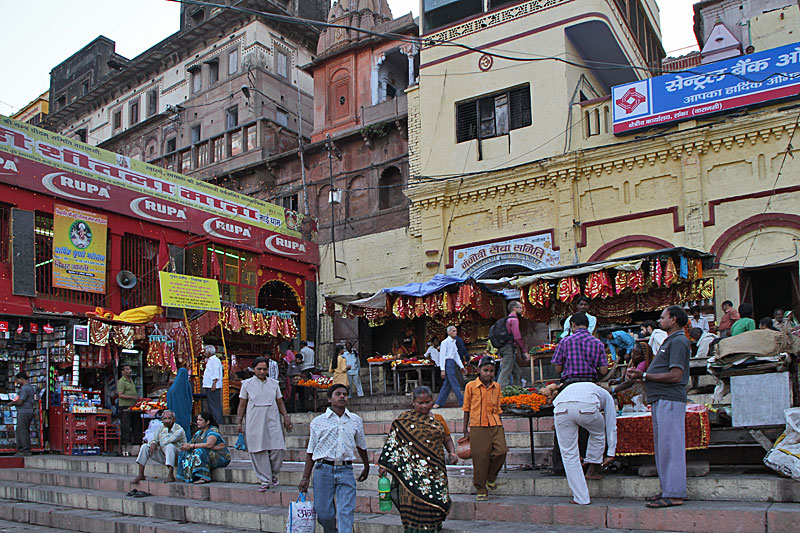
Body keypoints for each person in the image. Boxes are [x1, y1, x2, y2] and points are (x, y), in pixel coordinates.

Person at [627, 305, 691, 508]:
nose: (660, 320)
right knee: (664, 447)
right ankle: (668, 489)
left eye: (663, 317)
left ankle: (674, 493)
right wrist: (643, 377)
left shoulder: (679, 341)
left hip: (669, 398)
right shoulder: (670, 341)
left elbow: (676, 375)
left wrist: (645, 375)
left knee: (671, 446)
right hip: (660, 398)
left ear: (674, 319)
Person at [378, 386, 456, 531]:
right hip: (411, 475)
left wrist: (452, 452)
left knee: (433, 505)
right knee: (412, 506)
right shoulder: (403, 420)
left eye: (428, 402)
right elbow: (392, 442)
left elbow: (447, 439)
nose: (424, 406)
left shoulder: (438, 420)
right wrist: (384, 465)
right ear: (413, 402)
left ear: (433, 401)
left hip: (434, 472)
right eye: (420, 403)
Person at [298, 384, 370, 533]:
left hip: (346, 469)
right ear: (330, 399)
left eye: (345, 394)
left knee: (346, 511)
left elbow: (361, 446)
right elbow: (311, 451)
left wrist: (366, 466)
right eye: (338, 394)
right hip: (323, 469)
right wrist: (305, 478)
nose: (342, 396)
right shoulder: (318, 422)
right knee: (324, 514)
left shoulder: (355, 420)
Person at [553, 382, 617, 505]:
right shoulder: (606, 394)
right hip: (587, 407)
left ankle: (581, 498)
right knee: (598, 434)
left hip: (561, 408)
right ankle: (593, 464)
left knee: (569, 454)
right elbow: (611, 423)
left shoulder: (574, 387)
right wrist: (611, 453)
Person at [237, 356, 293, 491]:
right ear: (254, 369)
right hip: (254, 420)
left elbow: (280, 402)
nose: (262, 372)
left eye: (264, 369)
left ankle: (272, 474)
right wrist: (239, 422)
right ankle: (265, 480)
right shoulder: (246, 384)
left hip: (272, 419)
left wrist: (286, 417)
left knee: (277, 449)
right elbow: (242, 405)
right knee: (258, 450)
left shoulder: (274, 384)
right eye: (259, 369)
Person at [463, 356, 507, 501]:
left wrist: (501, 426)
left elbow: (498, 408)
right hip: (477, 425)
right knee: (480, 458)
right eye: (485, 370)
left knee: (501, 451)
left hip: (495, 423)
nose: (488, 373)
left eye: (491, 371)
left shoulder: (497, 387)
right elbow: (466, 409)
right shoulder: (470, 386)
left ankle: (491, 477)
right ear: (479, 370)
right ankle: (481, 488)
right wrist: (465, 429)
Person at [551, 312, 608, 385]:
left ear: (573, 325)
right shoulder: (598, 343)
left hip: (570, 383)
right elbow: (604, 371)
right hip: (591, 382)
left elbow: (558, 369)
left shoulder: (564, 342)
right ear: (587, 326)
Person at [131, 410, 187, 484]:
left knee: (169, 446)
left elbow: (166, 441)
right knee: (145, 446)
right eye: (165, 418)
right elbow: (154, 438)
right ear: (162, 420)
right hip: (164, 455)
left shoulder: (179, 430)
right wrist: (153, 443)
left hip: (177, 458)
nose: (167, 420)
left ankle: (170, 475)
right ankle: (141, 474)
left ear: (174, 420)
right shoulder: (161, 427)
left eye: (169, 418)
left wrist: (165, 429)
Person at [176, 411, 231, 484]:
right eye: (197, 420)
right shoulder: (198, 433)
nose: (197, 422)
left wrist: (192, 446)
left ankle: (204, 477)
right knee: (184, 452)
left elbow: (209, 445)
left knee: (200, 451)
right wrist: (186, 446)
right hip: (207, 454)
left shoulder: (213, 431)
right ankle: (187, 476)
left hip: (220, 456)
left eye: (200, 420)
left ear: (207, 422)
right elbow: (190, 444)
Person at [497, 300, 530, 387]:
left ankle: (517, 389)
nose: (521, 310)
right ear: (514, 308)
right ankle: (499, 391)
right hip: (508, 348)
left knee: (516, 371)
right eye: (520, 308)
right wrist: (524, 351)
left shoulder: (507, 319)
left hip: (503, 347)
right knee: (506, 371)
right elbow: (517, 337)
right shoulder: (513, 320)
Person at [434, 326, 466, 408]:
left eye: (456, 331)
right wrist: (442, 369)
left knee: (447, 384)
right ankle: (462, 401)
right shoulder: (445, 342)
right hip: (447, 363)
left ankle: (439, 402)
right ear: (449, 332)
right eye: (453, 331)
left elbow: (456, 356)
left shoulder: (453, 343)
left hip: (452, 363)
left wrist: (461, 366)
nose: (455, 332)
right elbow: (442, 356)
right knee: (454, 383)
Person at [10, 372, 36, 455]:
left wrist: (12, 403)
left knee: (23, 430)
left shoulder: (25, 389)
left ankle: (25, 449)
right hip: (28, 411)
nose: (17, 382)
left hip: (24, 411)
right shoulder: (31, 388)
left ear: (21, 379)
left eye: (17, 380)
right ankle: (22, 448)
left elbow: (20, 402)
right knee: (21, 429)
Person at [118, 364, 142, 447]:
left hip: (133, 406)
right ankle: (125, 443)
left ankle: (137, 441)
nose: (130, 371)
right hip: (125, 406)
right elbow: (120, 395)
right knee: (126, 425)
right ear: (123, 371)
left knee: (136, 424)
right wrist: (131, 397)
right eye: (127, 369)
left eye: (130, 369)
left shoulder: (131, 380)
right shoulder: (121, 381)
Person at [166, 368, 193, 439]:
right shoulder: (186, 385)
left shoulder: (173, 388)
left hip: (174, 412)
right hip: (184, 412)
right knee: (185, 430)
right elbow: (189, 399)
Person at [202, 345, 224, 427]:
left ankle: (218, 421)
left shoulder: (215, 360)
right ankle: (213, 421)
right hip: (209, 385)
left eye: (205, 351)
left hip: (212, 386)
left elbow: (215, 373)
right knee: (211, 404)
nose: (204, 353)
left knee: (215, 404)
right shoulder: (210, 360)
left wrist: (214, 384)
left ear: (208, 352)